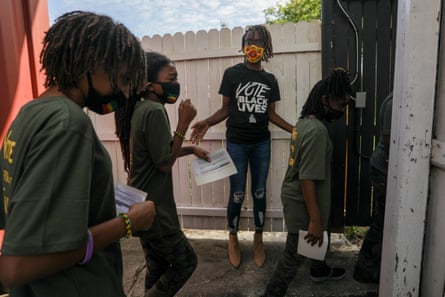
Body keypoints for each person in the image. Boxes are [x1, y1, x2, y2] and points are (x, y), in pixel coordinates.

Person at [0, 11, 156, 297]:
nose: (124, 92)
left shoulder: (28, 114)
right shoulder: (68, 123)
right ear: (92, 63)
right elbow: (16, 267)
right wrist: (128, 224)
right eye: (121, 79)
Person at [190, 24, 293, 268]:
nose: (253, 45)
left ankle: (258, 238)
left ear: (265, 47)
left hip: (261, 144)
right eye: (249, 41)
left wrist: (296, 130)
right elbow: (226, 109)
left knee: (259, 192)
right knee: (237, 193)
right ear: (243, 46)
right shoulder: (232, 74)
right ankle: (233, 237)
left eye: (258, 41)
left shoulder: (269, 79)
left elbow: (271, 115)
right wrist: (206, 121)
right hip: (236, 143)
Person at [115, 51, 210, 297]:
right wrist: (183, 122)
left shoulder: (144, 107)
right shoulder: (155, 112)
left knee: (157, 267)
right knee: (185, 262)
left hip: (138, 203)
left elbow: (159, 151)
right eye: (171, 78)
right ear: (149, 85)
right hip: (156, 210)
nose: (175, 84)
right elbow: (164, 163)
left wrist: (190, 149)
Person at [261, 68, 352, 297]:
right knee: (293, 255)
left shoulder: (304, 123)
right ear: (324, 101)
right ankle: (272, 292)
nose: (343, 111)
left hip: (303, 197)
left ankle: (319, 269)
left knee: (318, 238)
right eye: (341, 106)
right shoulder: (317, 132)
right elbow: (307, 178)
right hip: (302, 202)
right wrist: (315, 219)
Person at [353, 92, 393, 283]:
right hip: (384, 169)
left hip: (385, 168)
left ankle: (377, 265)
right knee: (382, 220)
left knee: (384, 219)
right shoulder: (395, 101)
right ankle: (364, 269)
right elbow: (390, 140)